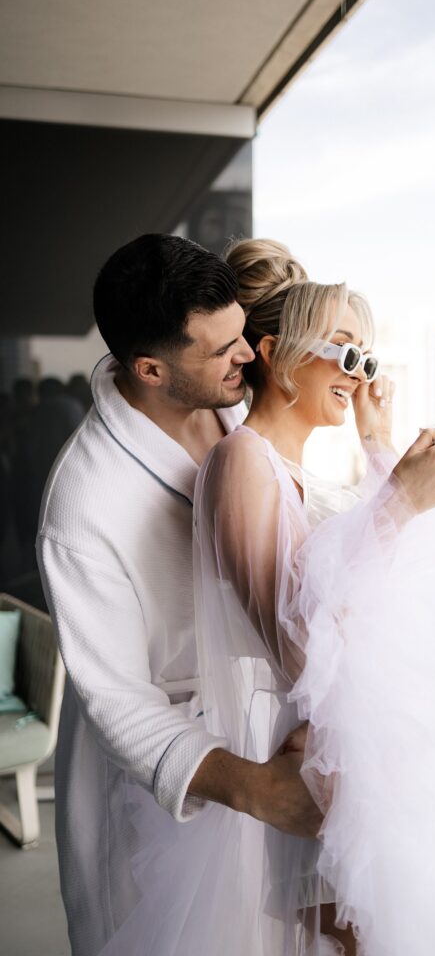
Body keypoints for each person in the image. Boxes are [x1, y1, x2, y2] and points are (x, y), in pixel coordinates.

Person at [189, 245, 435, 954]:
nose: (355, 370)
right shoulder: (242, 459)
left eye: (364, 355)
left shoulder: (293, 475)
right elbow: (299, 640)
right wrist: (397, 501)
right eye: (340, 350)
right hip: (328, 760)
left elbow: (385, 580)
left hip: (359, 753)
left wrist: (376, 440)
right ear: (273, 353)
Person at [36, 235, 324, 956]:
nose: (250, 356)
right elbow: (118, 702)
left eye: (243, 334)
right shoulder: (82, 505)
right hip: (172, 780)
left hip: (265, 738)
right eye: (222, 348)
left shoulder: (234, 403)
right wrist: (255, 787)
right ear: (150, 369)